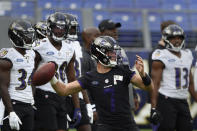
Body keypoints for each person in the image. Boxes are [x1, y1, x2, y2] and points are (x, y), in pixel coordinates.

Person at [49, 36, 158, 131]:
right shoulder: (90, 77)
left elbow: (148, 87)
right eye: (110, 52)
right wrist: (51, 77)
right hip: (105, 126)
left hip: (128, 125)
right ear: (99, 53)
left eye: (114, 52)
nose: (114, 55)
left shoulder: (123, 70)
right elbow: (63, 90)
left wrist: (143, 74)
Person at [33, 12, 80, 131]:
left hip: (61, 95)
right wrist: (31, 99)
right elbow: (31, 75)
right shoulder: (39, 46)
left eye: (62, 28)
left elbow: (72, 79)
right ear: (49, 27)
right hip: (43, 94)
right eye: (56, 27)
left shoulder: (70, 49)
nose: (59, 31)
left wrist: (77, 107)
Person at [151, 24, 197, 131]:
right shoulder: (161, 55)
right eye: (173, 38)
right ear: (166, 39)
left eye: (179, 38)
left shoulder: (187, 54)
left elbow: (190, 83)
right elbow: (155, 83)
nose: (177, 41)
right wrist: (153, 107)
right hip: (167, 100)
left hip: (183, 100)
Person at [0, 19, 40, 131]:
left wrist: (31, 97)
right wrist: (11, 111)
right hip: (13, 103)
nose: (30, 38)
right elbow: (2, 86)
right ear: (16, 37)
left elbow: (32, 79)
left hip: (28, 104)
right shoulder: (8, 56)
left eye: (31, 35)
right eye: (26, 36)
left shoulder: (32, 54)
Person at [98, 19, 139, 111]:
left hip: (122, 97)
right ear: (102, 32)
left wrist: (133, 94)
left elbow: (127, 73)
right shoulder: (96, 50)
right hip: (105, 98)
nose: (115, 31)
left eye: (116, 29)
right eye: (111, 29)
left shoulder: (120, 50)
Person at [64, 13, 92, 131]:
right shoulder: (55, 45)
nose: (73, 31)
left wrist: (88, 103)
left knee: (86, 127)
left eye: (75, 28)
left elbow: (79, 76)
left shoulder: (76, 45)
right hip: (61, 94)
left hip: (77, 93)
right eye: (71, 28)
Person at [81, 27, 101, 131]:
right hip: (92, 104)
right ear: (89, 38)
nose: (100, 39)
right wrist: (91, 107)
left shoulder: (93, 55)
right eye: (97, 36)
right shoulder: (84, 57)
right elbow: (83, 84)